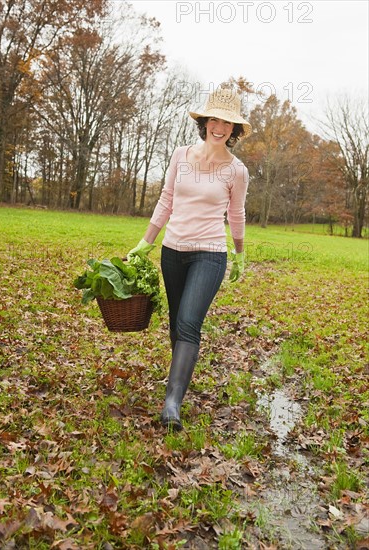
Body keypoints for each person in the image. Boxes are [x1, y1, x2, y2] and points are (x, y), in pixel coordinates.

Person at [128, 87, 252, 431]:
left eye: (228, 122)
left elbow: (237, 213)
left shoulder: (236, 171)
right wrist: (147, 241)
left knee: (188, 322)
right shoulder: (180, 155)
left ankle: (172, 403)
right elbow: (166, 199)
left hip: (209, 254)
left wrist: (240, 253)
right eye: (215, 119)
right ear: (205, 122)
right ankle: (179, 381)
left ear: (234, 130)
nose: (220, 127)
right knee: (175, 321)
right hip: (173, 251)